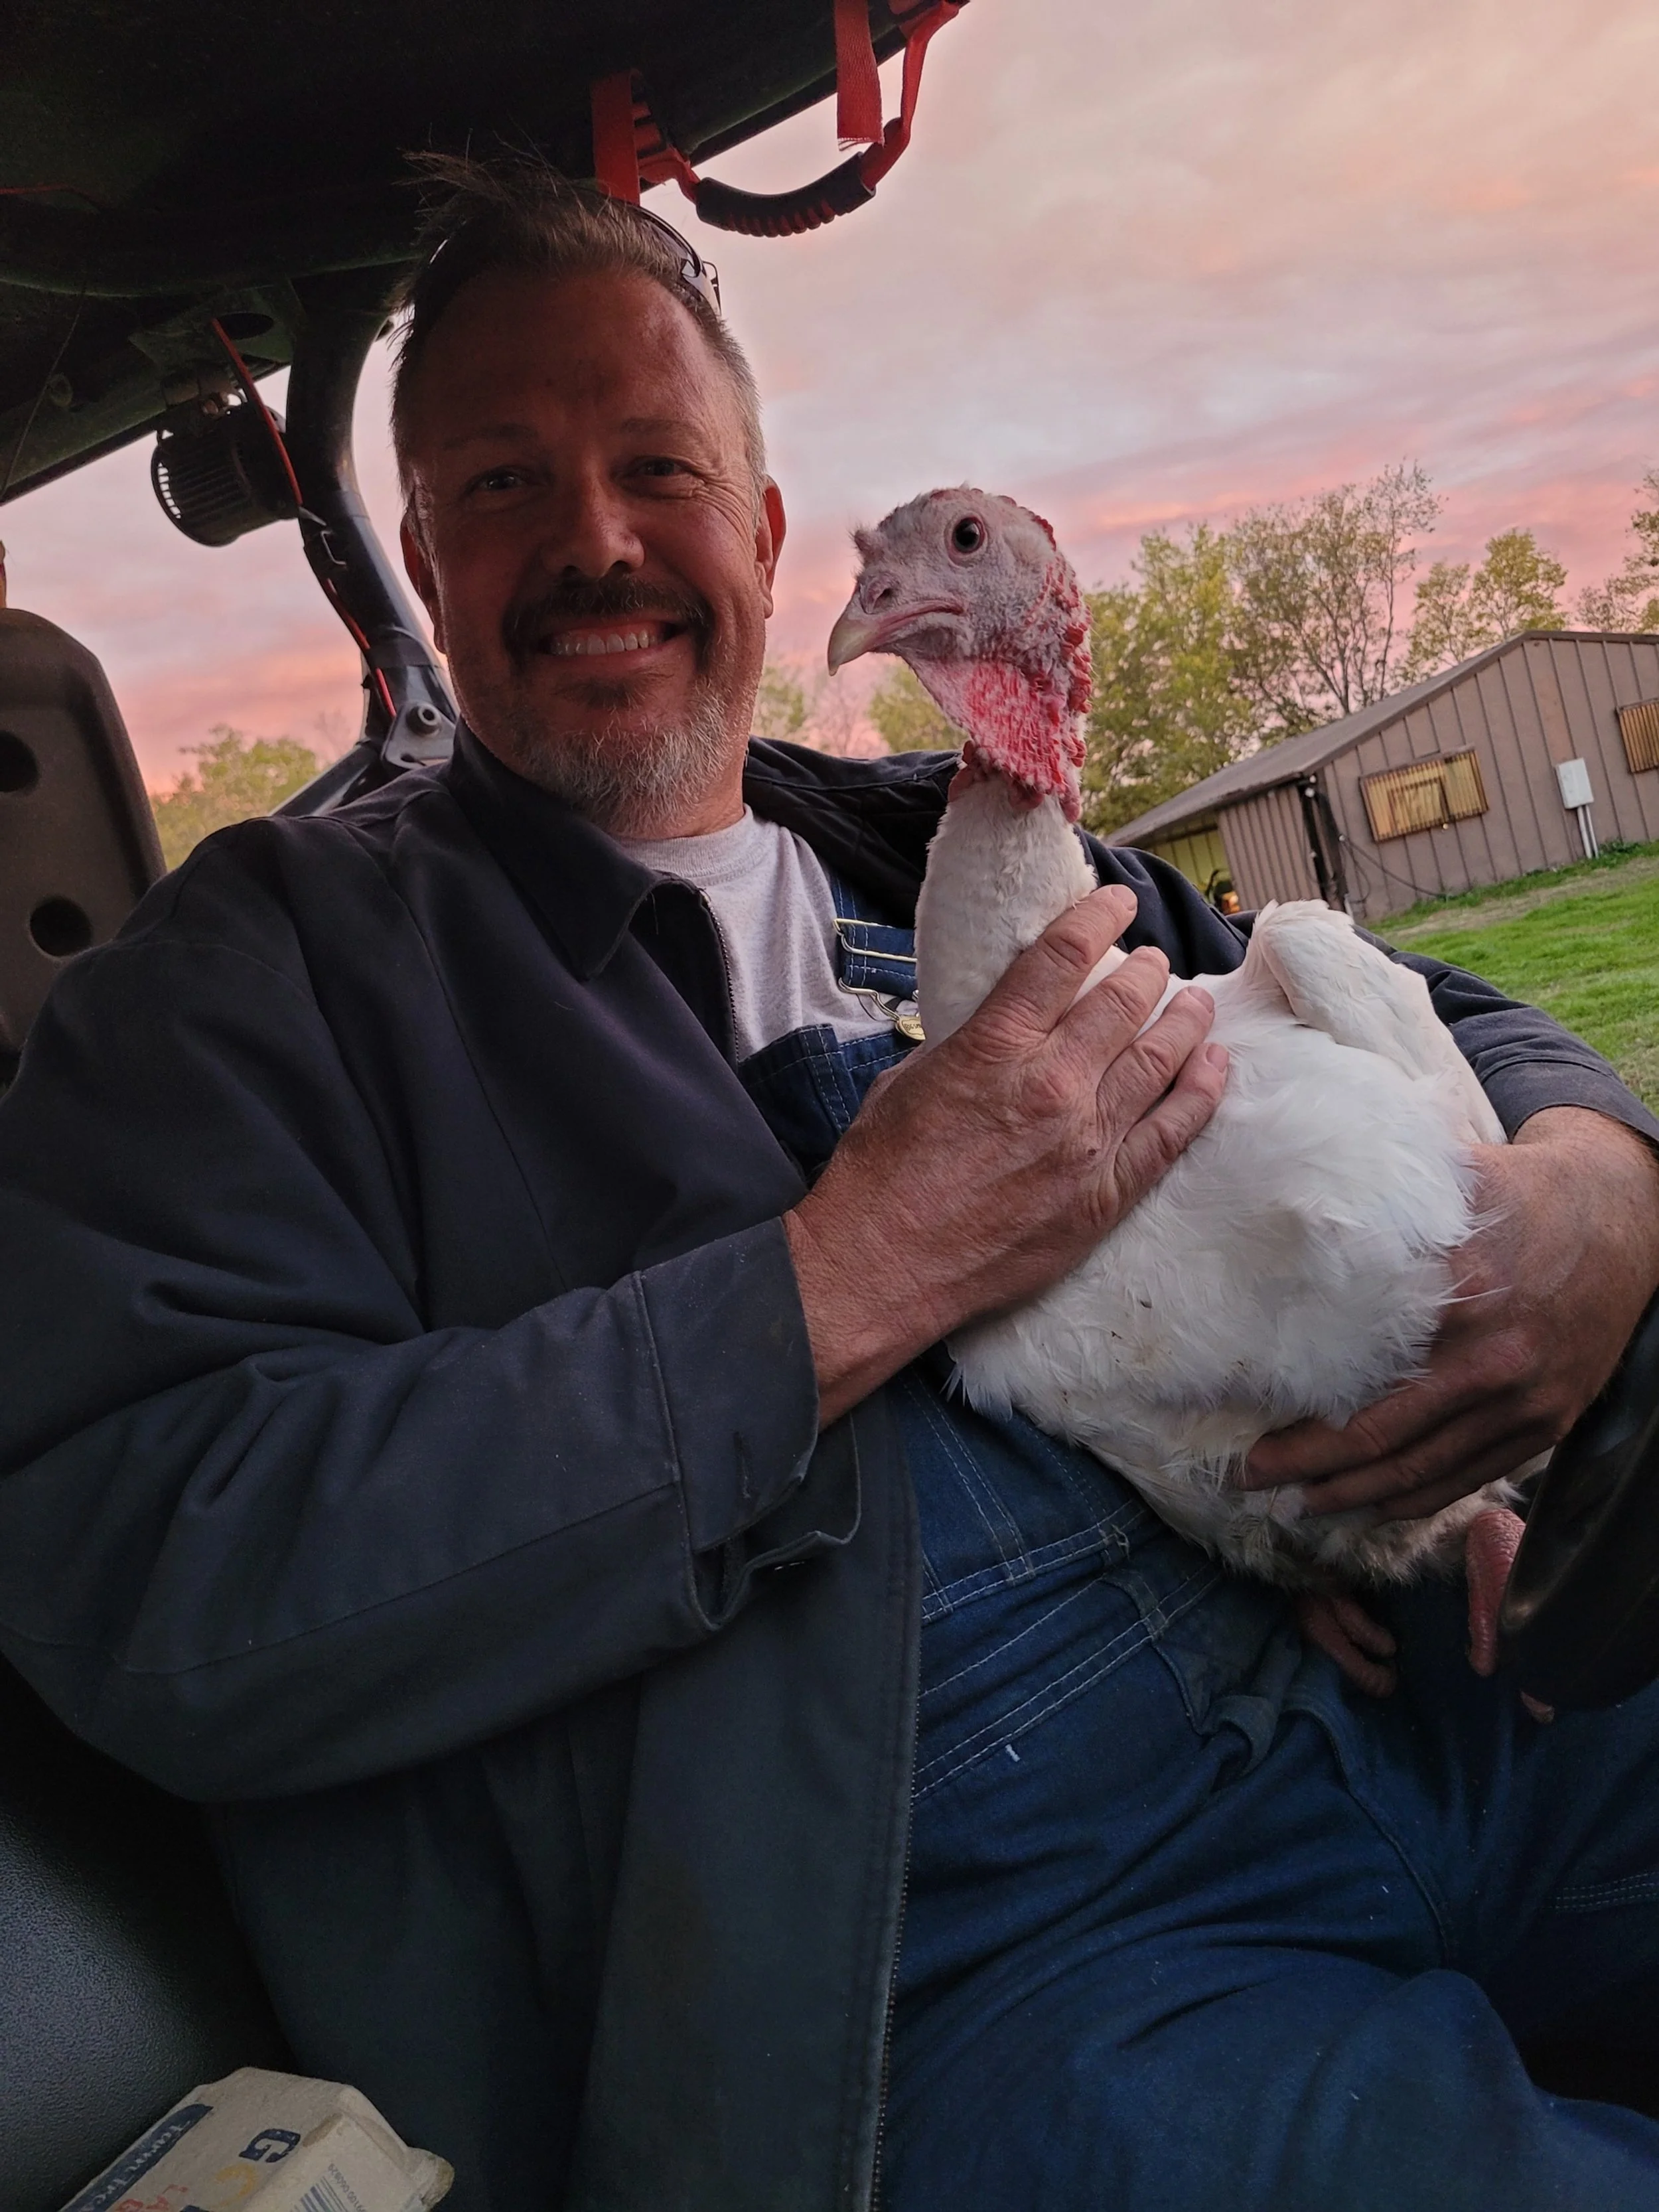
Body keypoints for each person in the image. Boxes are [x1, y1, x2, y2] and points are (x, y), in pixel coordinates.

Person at [3, 160, 1659, 2212]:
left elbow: (1403, 1015)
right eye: (505, 484)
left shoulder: (922, 841)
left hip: (1437, 1677)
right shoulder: (259, 984)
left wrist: (1594, 1186)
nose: (595, 537)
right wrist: (834, 1276)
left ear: (766, 532)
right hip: (973, 1929)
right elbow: (161, 1560)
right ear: (424, 559)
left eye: (655, 467)